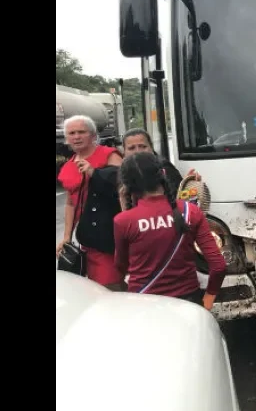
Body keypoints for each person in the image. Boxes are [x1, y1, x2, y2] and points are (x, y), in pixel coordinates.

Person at [113, 151, 226, 309]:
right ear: (163, 174)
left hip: (144, 305)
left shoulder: (123, 221)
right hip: (188, 302)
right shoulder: (190, 211)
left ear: (126, 187)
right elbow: (219, 266)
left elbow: (120, 267)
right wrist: (208, 298)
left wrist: (125, 208)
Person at [56, 115, 125, 290]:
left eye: (82, 132)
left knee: (110, 285)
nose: (76, 137)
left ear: (93, 135)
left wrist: (94, 173)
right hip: (88, 238)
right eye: (72, 133)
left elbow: (124, 190)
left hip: (111, 234)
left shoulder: (110, 156)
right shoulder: (67, 167)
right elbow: (71, 204)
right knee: (93, 286)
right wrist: (66, 238)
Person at [120, 128, 201, 207]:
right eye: (131, 148)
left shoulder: (163, 167)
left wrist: (186, 183)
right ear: (124, 152)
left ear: (151, 148)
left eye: (142, 146)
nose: (138, 151)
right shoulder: (119, 173)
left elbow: (177, 196)